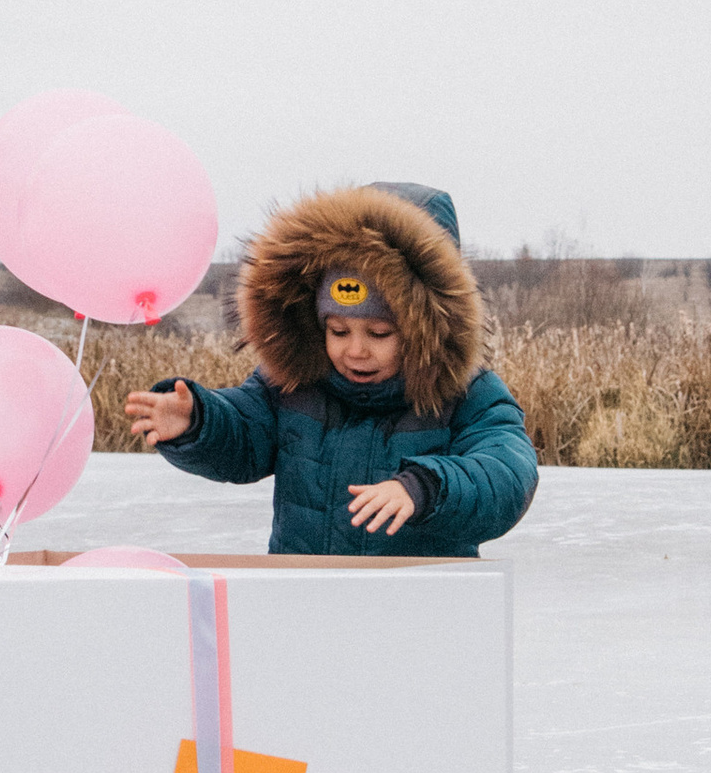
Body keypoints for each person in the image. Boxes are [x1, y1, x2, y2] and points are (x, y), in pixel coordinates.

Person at [125, 181, 538, 555]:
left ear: (424, 330)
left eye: (379, 333)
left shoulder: (469, 395)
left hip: (418, 611)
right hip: (307, 601)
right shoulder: (295, 384)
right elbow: (244, 432)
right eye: (338, 330)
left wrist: (425, 487)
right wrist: (198, 419)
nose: (355, 351)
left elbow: (507, 473)